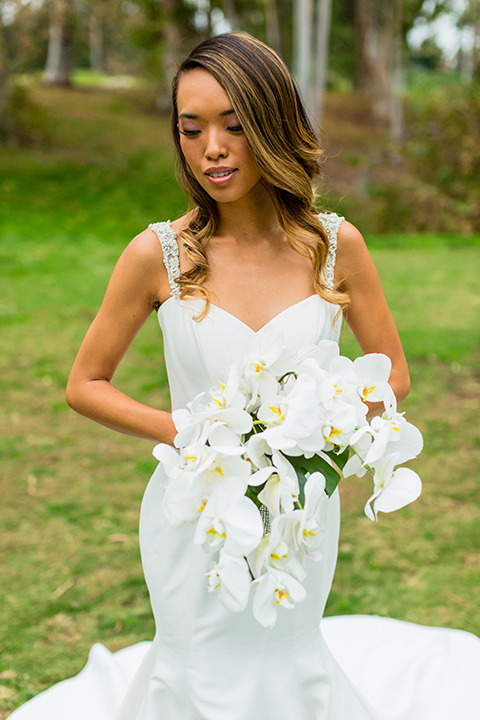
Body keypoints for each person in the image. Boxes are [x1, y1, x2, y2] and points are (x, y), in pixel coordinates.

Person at [10, 31, 480, 720]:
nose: (213, 149)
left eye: (234, 124)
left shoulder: (332, 246)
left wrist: (316, 430)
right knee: (197, 664)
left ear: (273, 123)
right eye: (191, 128)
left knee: (285, 657)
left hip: (299, 517)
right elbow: (86, 383)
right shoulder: (159, 255)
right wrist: (190, 434)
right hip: (195, 509)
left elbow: (394, 377)